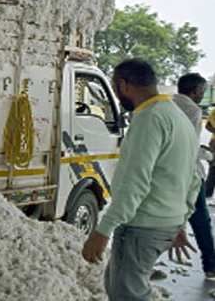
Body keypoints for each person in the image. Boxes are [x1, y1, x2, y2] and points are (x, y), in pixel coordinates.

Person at [81, 59, 200, 300]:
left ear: (124, 85)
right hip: (164, 223)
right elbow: (194, 177)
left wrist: (102, 231)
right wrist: (179, 221)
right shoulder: (177, 117)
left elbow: (133, 182)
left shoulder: (149, 118)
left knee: (127, 294)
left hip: (142, 226)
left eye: (115, 87)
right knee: (120, 286)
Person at [172, 73, 215, 279]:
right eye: (202, 91)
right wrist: (205, 154)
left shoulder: (168, 105)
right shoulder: (193, 110)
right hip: (189, 174)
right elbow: (187, 146)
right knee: (201, 221)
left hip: (167, 174)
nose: (202, 95)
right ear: (195, 91)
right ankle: (211, 266)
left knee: (162, 219)